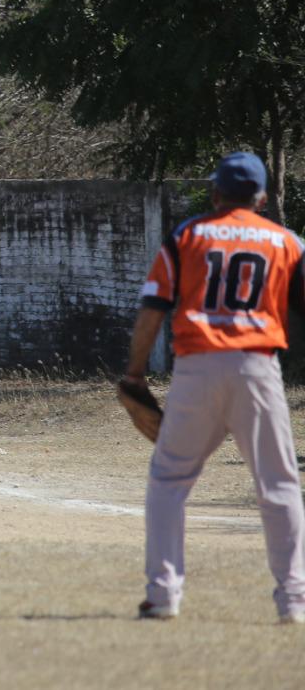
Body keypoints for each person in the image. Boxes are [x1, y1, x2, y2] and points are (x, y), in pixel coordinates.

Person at [122, 152, 305, 622]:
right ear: (262, 198)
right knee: (279, 485)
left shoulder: (188, 236)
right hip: (257, 368)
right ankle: (294, 601)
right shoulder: (286, 241)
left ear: (216, 192)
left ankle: (163, 596)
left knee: (169, 480)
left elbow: (153, 309)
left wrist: (135, 373)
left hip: (197, 367)